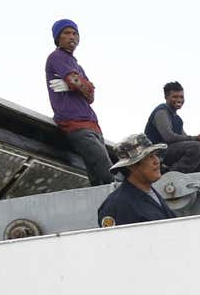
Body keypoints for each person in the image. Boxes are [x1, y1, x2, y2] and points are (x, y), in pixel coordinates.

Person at [44, 19, 112, 186]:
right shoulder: (57, 56)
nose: (72, 36)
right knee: (105, 167)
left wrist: (79, 84)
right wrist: (77, 84)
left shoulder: (76, 64)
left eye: (75, 33)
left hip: (92, 123)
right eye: (66, 33)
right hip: (75, 123)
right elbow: (75, 81)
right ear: (57, 38)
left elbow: (90, 96)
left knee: (97, 175)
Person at [97, 135, 175, 227]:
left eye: (155, 155)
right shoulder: (117, 206)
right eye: (149, 156)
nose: (156, 161)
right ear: (131, 166)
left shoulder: (151, 194)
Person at [143, 81, 200, 174]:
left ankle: (196, 178)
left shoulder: (178, 119)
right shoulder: (161, 112)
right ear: (166, 97)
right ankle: (171, 176)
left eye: (181, 97)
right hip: (157, 153)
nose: (179, 99)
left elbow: (185, 138)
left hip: (169, 149)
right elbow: (169, 137)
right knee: (196, 147)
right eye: (175, 97)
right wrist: (196, 138)